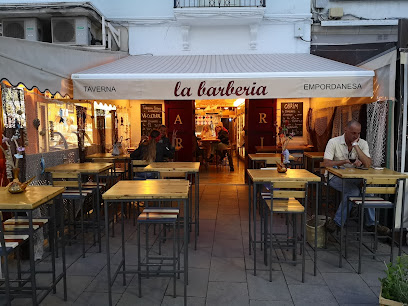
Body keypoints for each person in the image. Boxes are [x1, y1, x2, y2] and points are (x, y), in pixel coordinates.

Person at [323, 120, 389, 235]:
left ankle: (371, 224)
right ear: (345, 130)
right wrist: (344, 161)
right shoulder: (333, 142)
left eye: (358, 133)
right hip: (334, 176)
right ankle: (337, 223)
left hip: (354, 177)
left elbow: (368, 164)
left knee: (367, 189)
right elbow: (326, 164)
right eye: (353, 133)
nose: (356, 136)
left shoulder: (362, 143)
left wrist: (356, 146)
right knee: (353, 191)